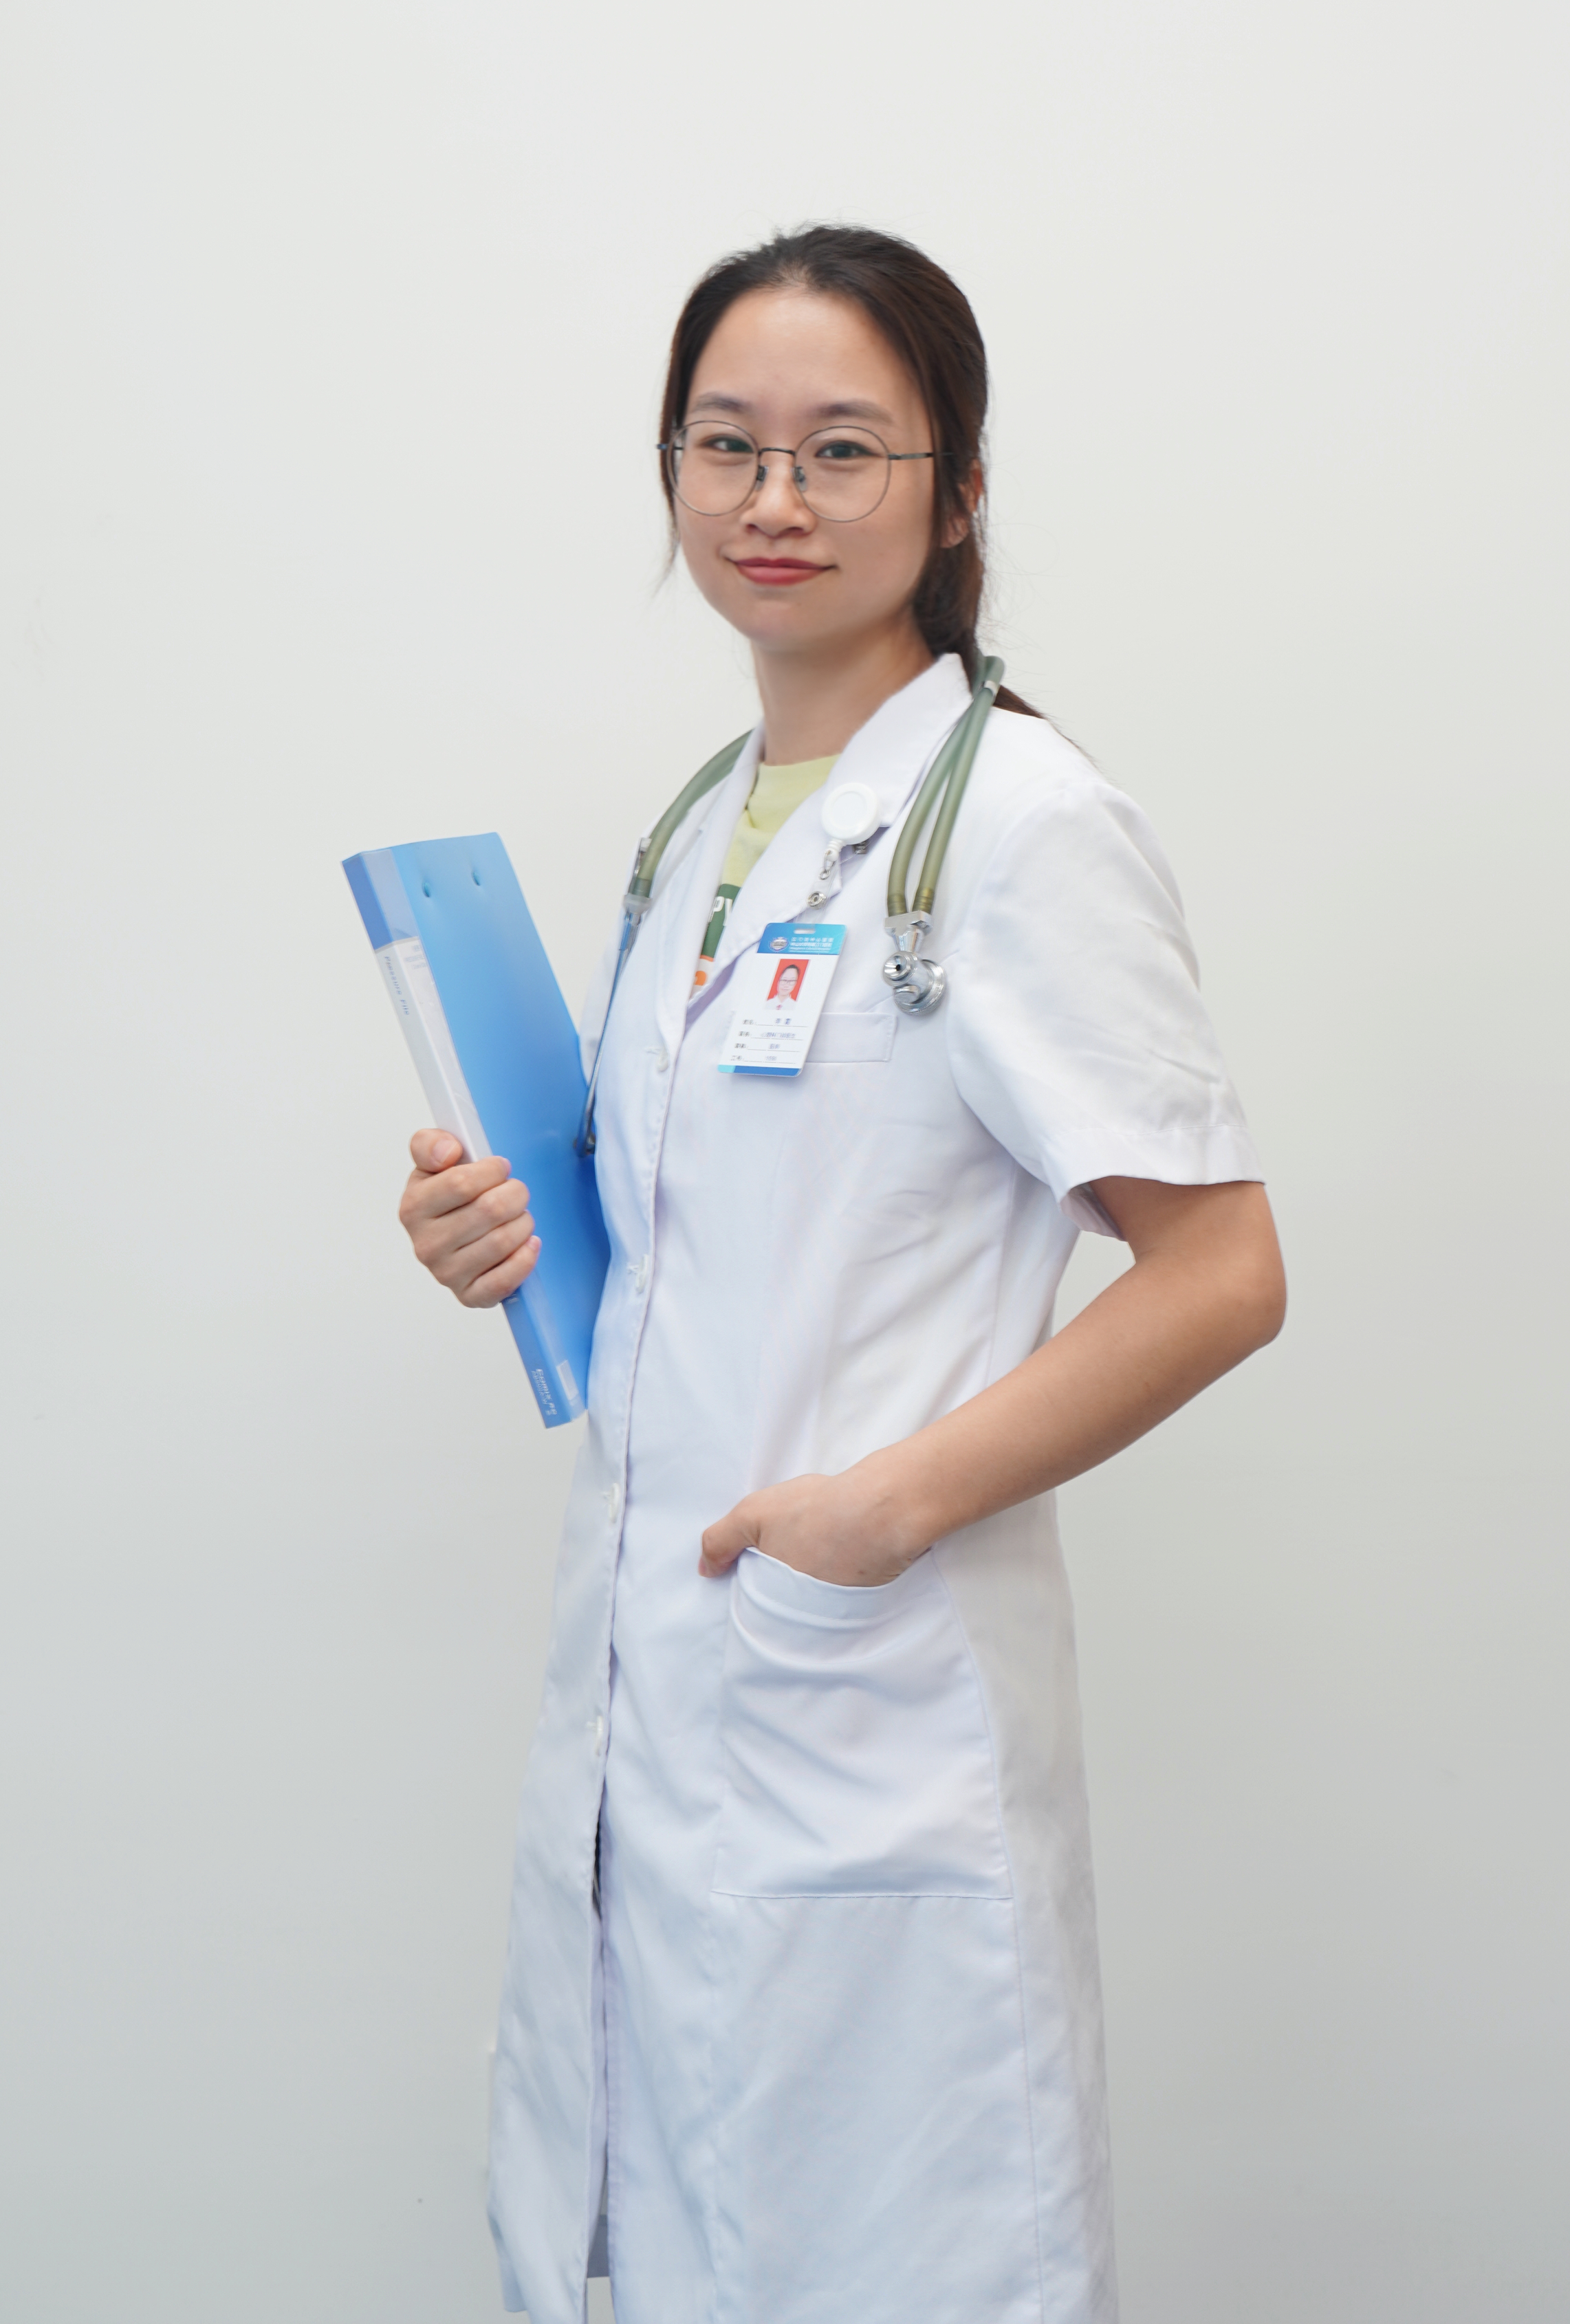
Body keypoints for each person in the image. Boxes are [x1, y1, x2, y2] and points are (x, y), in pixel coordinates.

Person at [397, 227, 1285, 2324]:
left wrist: (883, 1511)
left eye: (842, 449)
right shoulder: (705, 828)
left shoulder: (1021, 827)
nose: (773, 499)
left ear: (955, 492)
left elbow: (1222, 1269)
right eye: (725, 446)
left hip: (860, 1711)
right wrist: (493, 1233)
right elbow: (709, 1232)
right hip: (662, 1709)